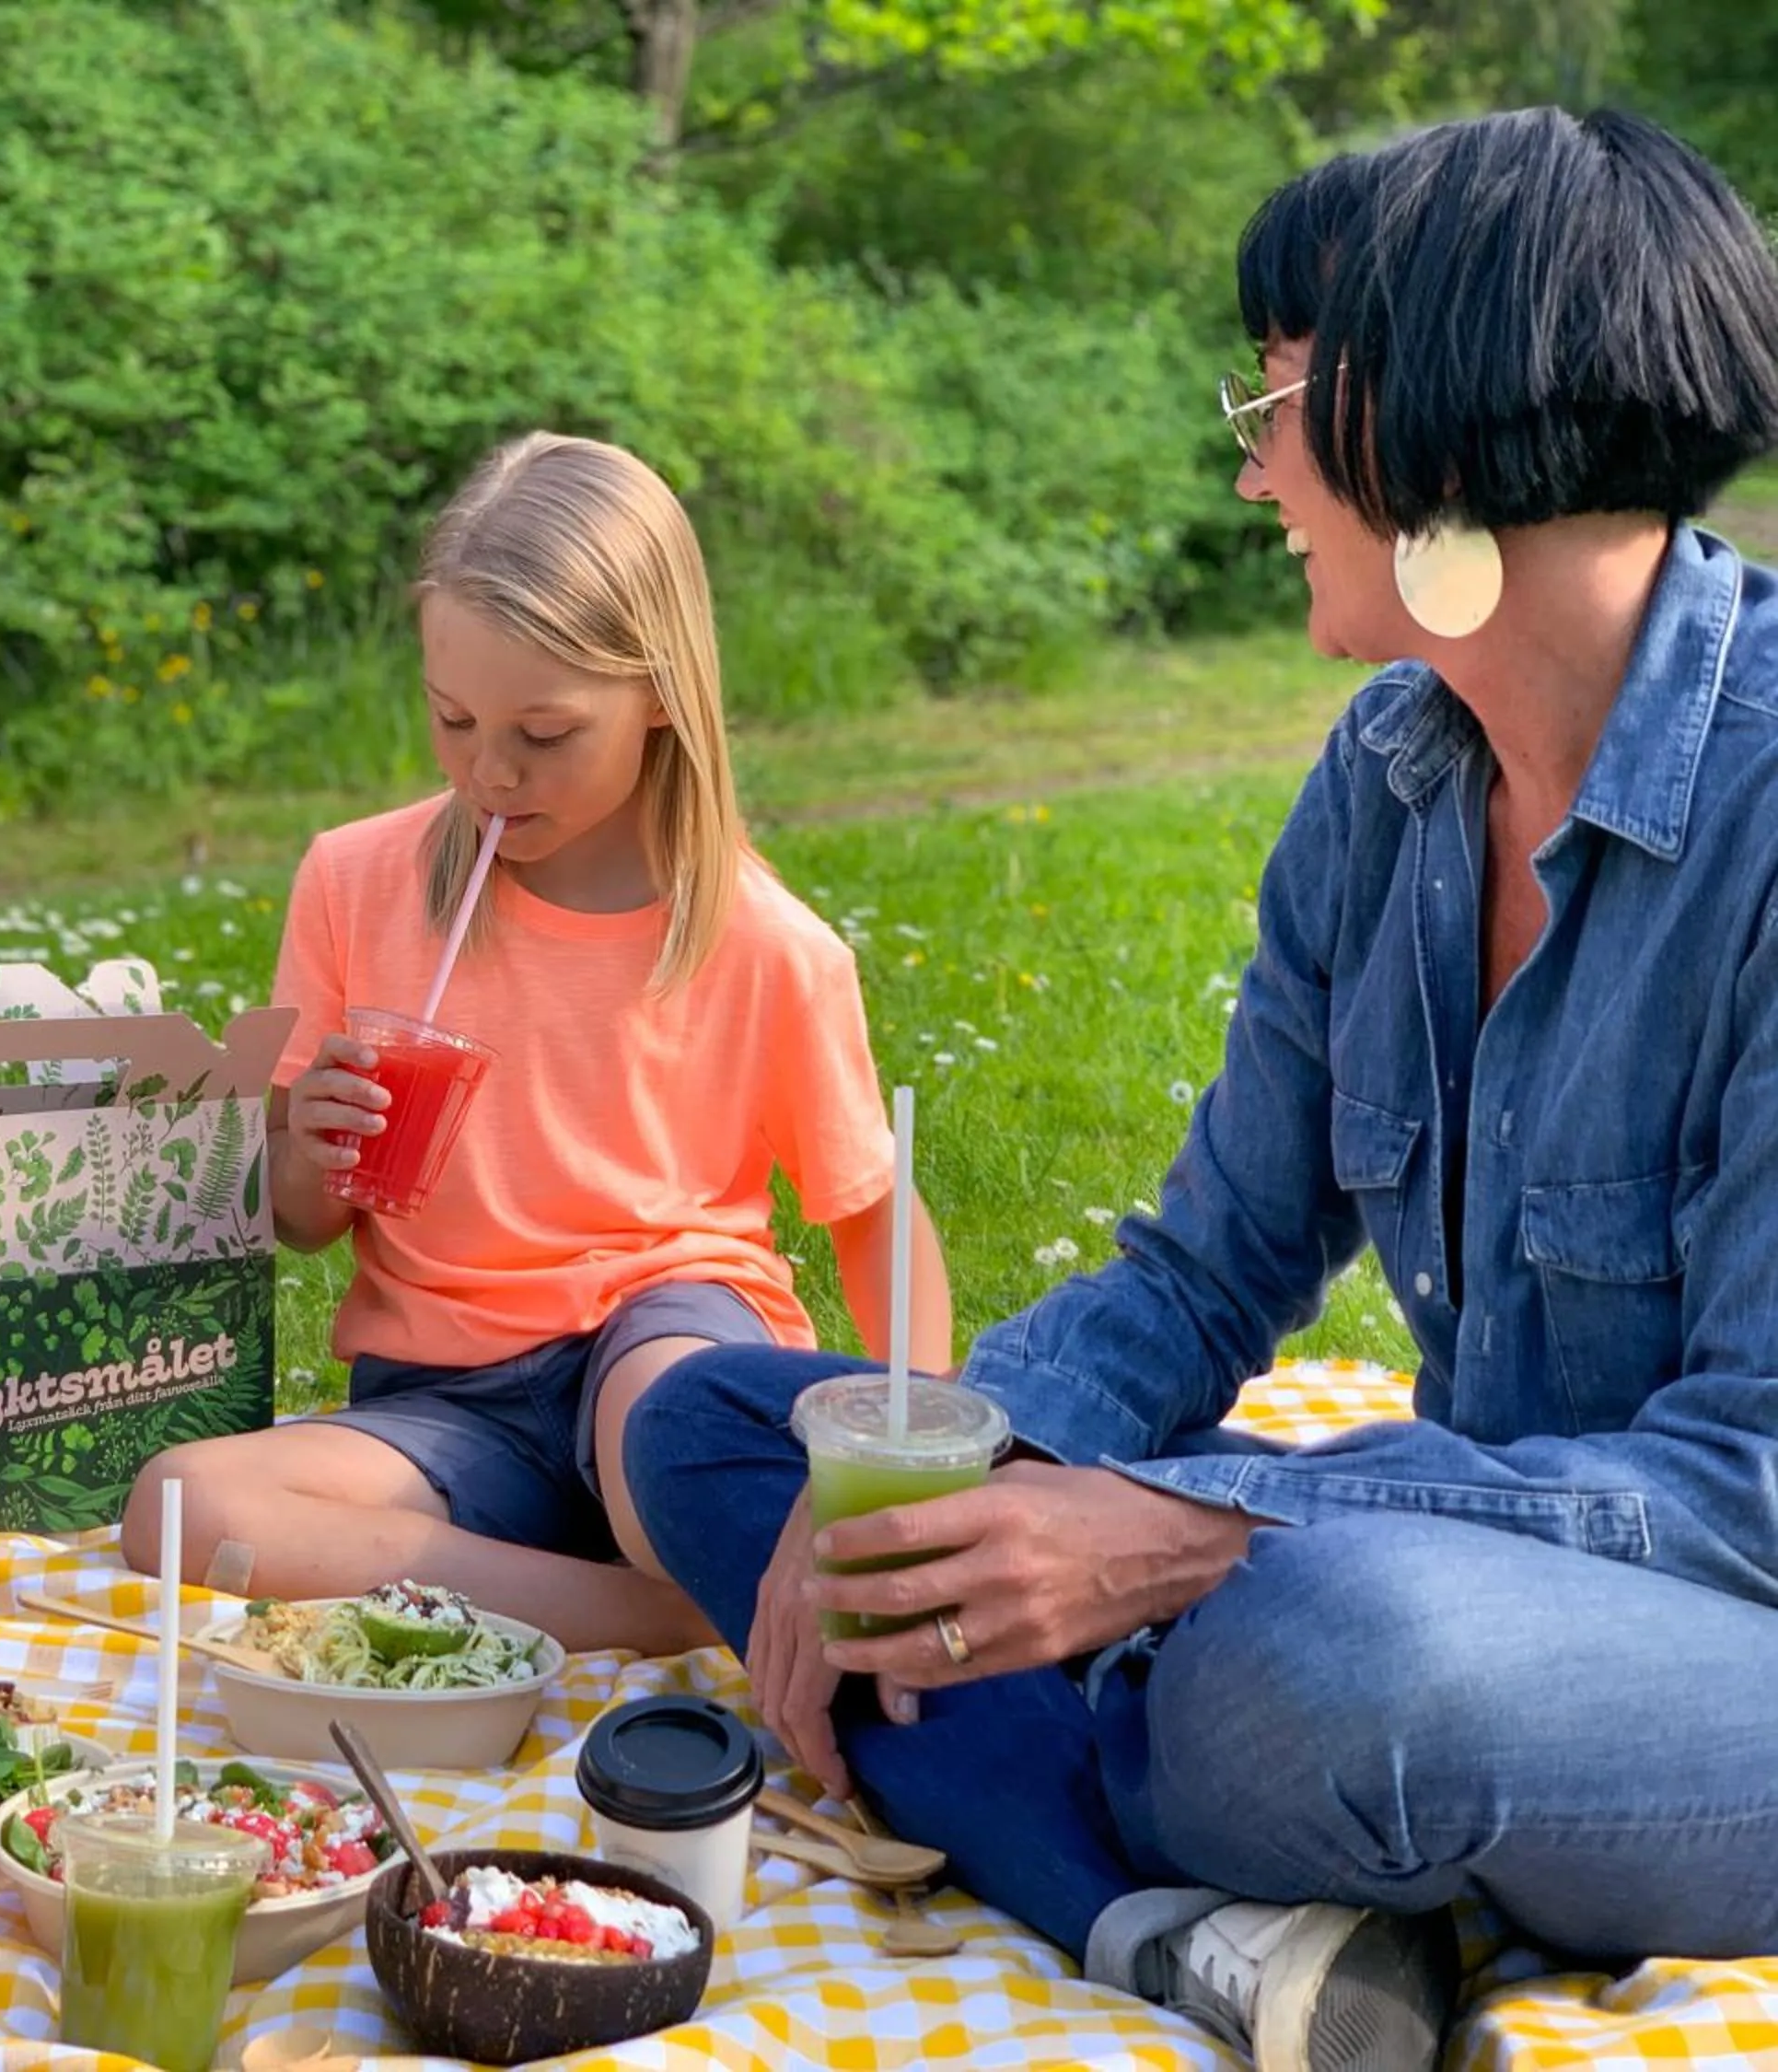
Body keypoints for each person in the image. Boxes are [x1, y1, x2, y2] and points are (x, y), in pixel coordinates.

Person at [621, 107, 1778, 2072]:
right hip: (1452, 1574)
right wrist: (949, 1472)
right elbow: (1202, 1267)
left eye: (1277, 401)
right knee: (743, 1430)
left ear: (1438, 424)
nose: (1254, 472)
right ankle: (1188, 1917)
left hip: (1685, 1640)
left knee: (1316, 1660)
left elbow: (1747, 1490)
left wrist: (1195, 1528)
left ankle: (1098, 1790)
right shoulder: (1390, 781)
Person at [122, 432, 953, 1655]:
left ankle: (652, 1553)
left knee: (665, 1429)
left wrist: (912, 1445)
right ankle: (660, 1610)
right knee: (180, 1505)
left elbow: (873, 1209)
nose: (491, 771)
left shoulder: (766, 944)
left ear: (662, 690)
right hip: (447, 1406)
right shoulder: (356, 883)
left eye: (545, 733)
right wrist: (311, 1145)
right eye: (454, 720)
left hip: (660, 1337)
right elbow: (301, 1220)